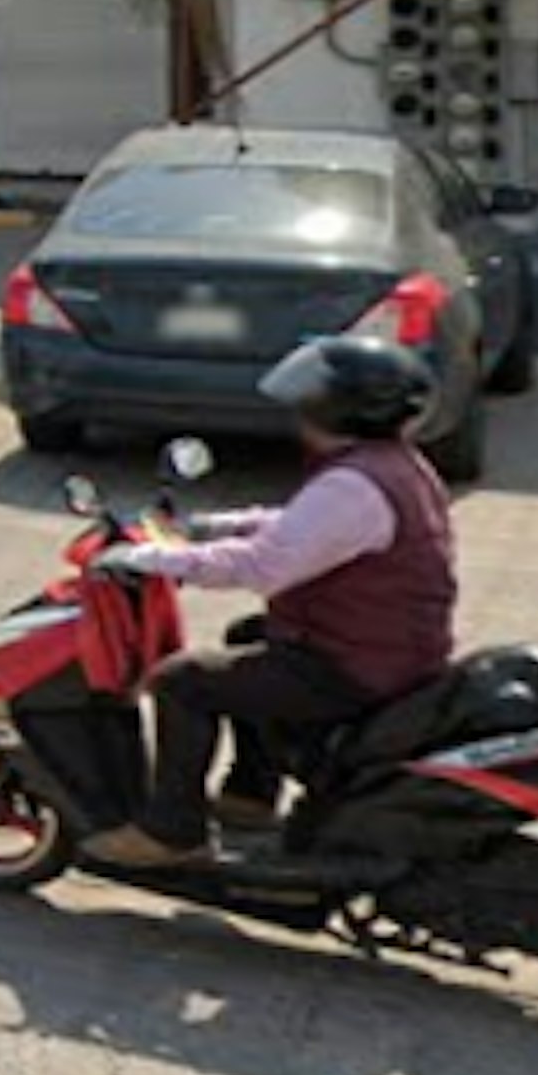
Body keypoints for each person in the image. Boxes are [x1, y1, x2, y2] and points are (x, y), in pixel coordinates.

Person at [77, 334, 461, 868]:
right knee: (248, 638)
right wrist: (211, 526)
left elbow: (262, 566)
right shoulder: (392, 465)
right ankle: (250, 796)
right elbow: (301, 527)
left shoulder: (353, 484)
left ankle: (173, 833)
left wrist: (153, 561)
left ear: (335, 410)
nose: (297, 413)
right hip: (391, 651)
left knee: (181, 681)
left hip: (358, 669)